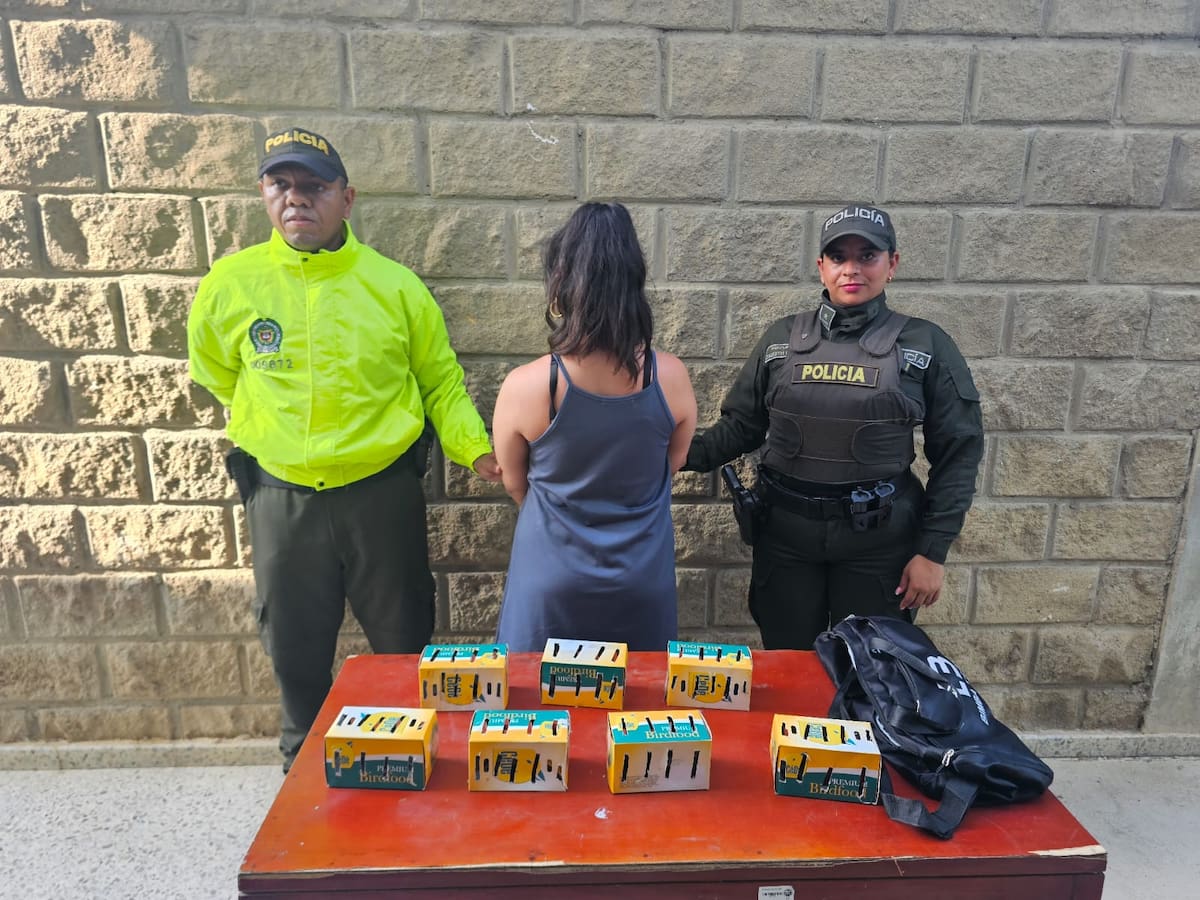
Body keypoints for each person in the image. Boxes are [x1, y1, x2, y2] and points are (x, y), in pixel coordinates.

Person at [187, 127, 501, 771]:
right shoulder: (231, 284)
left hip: (380, 494)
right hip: (281, 498)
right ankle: (301, 773)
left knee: (402, 639)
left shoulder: (395, 288)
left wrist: (477, 450)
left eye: (314, 186)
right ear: (264, 194)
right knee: (294, 645)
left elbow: (440, 380)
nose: (296, 199)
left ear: (347, 198)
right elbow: (217, 372)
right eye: (281, 185)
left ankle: (409, 761)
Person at [683, 203, 983, 650]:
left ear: (892, 263)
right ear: (821, 266)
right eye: (838, 257)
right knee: (791, 668)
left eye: (868, 256)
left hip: (879, 544)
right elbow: (741, 428)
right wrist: (661, 453)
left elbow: (959, 452)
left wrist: (932, 551)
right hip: (785, 538)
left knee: (871, 676)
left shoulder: (925, 344)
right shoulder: (781, 339)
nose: (852, 269)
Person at [492, 202, 697, 652]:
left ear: (561, 282)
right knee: (639, 717)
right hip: (641, 581)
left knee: (541, 717)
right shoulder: (672, 378)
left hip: (549, 581)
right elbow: (673, 462)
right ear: (634, 281)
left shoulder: (526, 386)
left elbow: (515, 482)